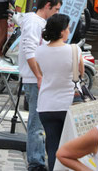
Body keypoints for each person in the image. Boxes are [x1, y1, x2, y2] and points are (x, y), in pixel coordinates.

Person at [18, 0, 62, 171]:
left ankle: (37, 160)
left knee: (40, 122)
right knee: (36, 123)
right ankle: (36, 162)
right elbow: (30, 51)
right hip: (34, 78)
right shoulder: (33, 23)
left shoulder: (39, 23)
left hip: (39, 77)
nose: (57, 13)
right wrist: (38, 76)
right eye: (56, 9)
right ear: (48, 5)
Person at [36, 13, 84, 171]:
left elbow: (42, 72)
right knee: (72, 147)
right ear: (62, 31)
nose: (69, 31)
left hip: (46, 105)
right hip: (69, 105)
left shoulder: (40, 51)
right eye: (68, 28)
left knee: (52, 146)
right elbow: (81, 74)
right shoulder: (74, 50)